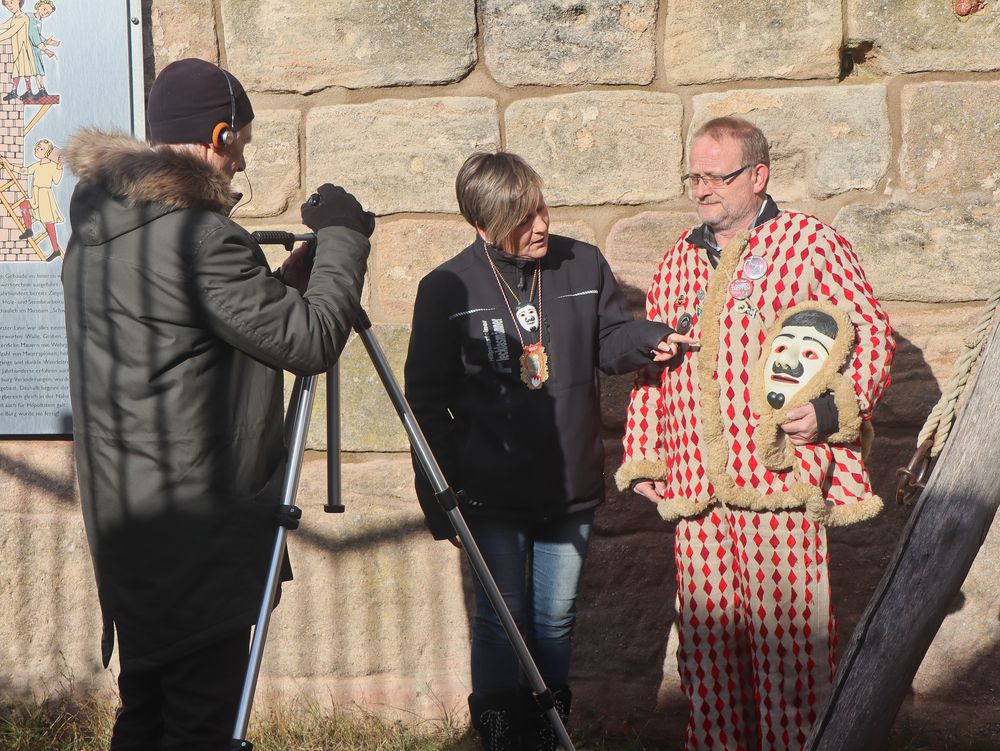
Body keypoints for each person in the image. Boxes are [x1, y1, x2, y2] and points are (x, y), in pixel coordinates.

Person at [62, 58, 375, 751]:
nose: (242, 163)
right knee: (202, 725)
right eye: (244, 144)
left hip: (128, 531)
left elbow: (186, 336)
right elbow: (314, 340)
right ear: (219, 135)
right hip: (194, 542)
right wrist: (345, 239)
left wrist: (282, 281)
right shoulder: (200, 239)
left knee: (145, 714)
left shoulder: (98, 234)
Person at [615, 116, 894, 751]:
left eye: (717, 175)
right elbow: (652, 370)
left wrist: (831, 412)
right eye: (696, 176)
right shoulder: (677, 260)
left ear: (758, 175)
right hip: (697, 495)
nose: (703, 189)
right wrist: (648, 457)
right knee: (708, 660)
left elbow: (871, 334)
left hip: (779, 488)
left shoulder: (811, 243)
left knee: (791, 654)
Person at [404, 151, 695, 751]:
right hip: (490, 492)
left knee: (556, 617)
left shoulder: (581, 263)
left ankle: (549, 729)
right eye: (521, 217)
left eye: (540, 208)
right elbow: (425, 403)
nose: (540, 225)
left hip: (569, 487)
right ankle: (501, 730)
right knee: (500, 619)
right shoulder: (445, 289)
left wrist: (649, 338)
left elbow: (610, 338)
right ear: (483, 225)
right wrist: (440, 494)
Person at [18, 138, 63, 260]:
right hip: (36, 195)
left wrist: (59, 168)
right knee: (23, 206)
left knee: (49, 225)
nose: (37, 149)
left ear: (48, 153)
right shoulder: (37, 165)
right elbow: (25, 171)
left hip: (45, 198)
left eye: (41, 148)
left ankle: (56, 250)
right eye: (38, 147)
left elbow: (57, 180)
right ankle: (29, 229)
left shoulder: (53, 166)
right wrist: (11, 167)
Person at [0, 0, 38, 102]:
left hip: (23, 48)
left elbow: (11, 31)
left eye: (11, 2)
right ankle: (14, 91)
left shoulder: (23, 17)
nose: (9, 6)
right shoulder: (15, 17)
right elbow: (6, 25)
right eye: (7, 5)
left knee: (25, 70)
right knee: (16, 71)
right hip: (17, 49)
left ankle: (29, 92)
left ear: (19, 1)